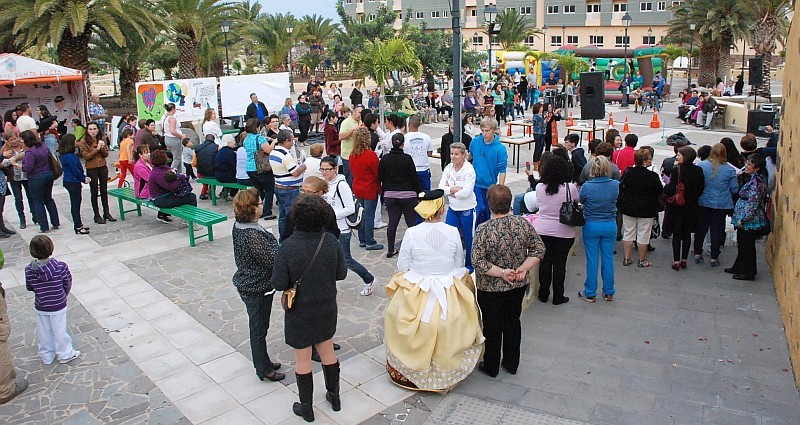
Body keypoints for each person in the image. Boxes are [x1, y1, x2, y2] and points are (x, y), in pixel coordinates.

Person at [384, 188, 484, 392]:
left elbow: (403, 266)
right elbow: (458, 264)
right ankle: (444, 370)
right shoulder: (452, 231)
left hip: (418, 287)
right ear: (441, 208)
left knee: (408, 321)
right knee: (449, 325)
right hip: (448, 286)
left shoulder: (412, 233)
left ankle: (413, 368)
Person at [271, 195, 347, 422]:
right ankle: (334, 397)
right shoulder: (331, 241)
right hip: (325, 305)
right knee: (327, 351)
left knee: (302, 359)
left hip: (299, 310)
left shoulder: (287, 247)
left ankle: (307, 408)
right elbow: (341, 274)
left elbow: (278, 283)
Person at [473, 185, 544, 376]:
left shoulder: (484, 229)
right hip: (517, 284)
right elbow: (539, 249)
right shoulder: (522, 224)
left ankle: (492, 366)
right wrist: (523, 268)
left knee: (492, 325)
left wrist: (501, 273)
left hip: (490, 288)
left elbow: (478, 261)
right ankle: (511, 363)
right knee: (513, 322)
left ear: (489, 204)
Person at [231, 188, 285, 383]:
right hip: (256, 286)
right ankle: (263, 368)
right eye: (260, 203)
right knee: (259, 329)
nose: (263, 205)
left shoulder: (241, 226)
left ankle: (264, 361)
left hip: (252, 282)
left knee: (260, 327)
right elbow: (272, 260)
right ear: (252, 208)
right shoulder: (252, 234)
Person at [320, 156, 377, 296]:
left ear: (335, 169)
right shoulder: (325, 184)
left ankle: (369, 279)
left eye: (327, 169)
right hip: (328, 228)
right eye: (322, 169)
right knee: (327, 259)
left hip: (342, 230)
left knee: (347, 260)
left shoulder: (341, 185)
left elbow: (350, 208)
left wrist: (332, 215)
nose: (324, 172)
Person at [25, 235, 81, 365]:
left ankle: (47, 354)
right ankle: (65, 353)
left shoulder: (29, 269)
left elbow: (30, 286)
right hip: (58, 303)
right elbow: (67, 282)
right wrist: (62, 294)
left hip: (41, 304)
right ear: (51, 248)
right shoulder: (60, 266)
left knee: (44, 331)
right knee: (59, 330)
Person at [533, 155, 578, 304]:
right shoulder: (569, 188)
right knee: (560, 264)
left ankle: (543, 293)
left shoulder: (539, 187)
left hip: (543, 229)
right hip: (564, 231)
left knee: (545, 263)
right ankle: (558, 295)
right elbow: (577, 201)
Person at [578, 157, 620, 302]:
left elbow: (580, 200)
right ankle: (609, 291)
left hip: (591, 224)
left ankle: (590, 292)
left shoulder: (588, 186)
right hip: (610, 223)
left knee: (592, 259)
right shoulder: (615, 185)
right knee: (608, 258)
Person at [694, 143, 738, 267]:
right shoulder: (730, 170)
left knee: (701, 228)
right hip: (721, 204)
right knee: (717, 230)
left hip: (704, 201)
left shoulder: (702, 166)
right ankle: (714, 256)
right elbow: (734, 189)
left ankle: (697, 252)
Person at [726, 153, 768, 281]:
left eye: (750, 164)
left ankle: (747, 272)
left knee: (747, 245)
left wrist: (743, 219)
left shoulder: (756, 183)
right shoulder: (754, 179)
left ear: (757, 168)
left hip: (749, 220)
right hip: (746, 216)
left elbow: (753, 203)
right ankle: (739, 266)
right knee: (743, 244)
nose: (746, 166)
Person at [618, 148, 663, 268]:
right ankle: (642, 260)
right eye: (649, 159)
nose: (651, 161)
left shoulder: (628, 173)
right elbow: (659, 190)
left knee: (628, 233)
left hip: (628, 207)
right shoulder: (652, 176)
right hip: (646, 209)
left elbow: (622, 187)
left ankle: (627, 258)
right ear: (644, 161)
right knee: (643, 234)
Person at [379, 133, 421, 258]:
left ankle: (391, 249)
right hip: (408, 194)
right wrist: (418, 193)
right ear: (403, 143)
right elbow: (414, 177)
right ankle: (415, 250)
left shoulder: (385, 159)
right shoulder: (407, 158)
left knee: (392, 222)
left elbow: (380, 177)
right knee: (411, 223)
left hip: (391, 194)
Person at [664, 146, 705, 271]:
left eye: (679, 155)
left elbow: (671, 188)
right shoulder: (698, 170)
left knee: (677, 234)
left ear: (685, 156)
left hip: (678, 206)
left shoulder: (678, 169)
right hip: (692, 206)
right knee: (687, 234)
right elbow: (701, 188)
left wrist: (665, 190)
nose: (677, 157)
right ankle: (684, 259)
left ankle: (676, 260)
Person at [349, 128, 383, 251]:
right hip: (370, 188)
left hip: (358, 186)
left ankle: (362, 239)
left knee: (361, 214)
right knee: (369, 215)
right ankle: (370, 241)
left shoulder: (352, 154)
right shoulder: (370, 155)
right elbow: (377, 173)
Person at [470, 118, 508, 226]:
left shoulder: (500, 149)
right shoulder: (475, 141)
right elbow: (471, 156)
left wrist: (500, 188)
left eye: (487, 131)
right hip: (475, 183)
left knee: (487, 213)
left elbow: (502, 170)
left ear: (494, 130)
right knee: (479, 209)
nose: (484, 134)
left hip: (490, 185)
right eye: (482, 131)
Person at [21, 130, 60, 233]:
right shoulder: (43, 147)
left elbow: (28, 167)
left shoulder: (30, 152)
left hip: (36, 178)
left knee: (38, 202)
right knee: (49, 199)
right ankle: (55, 222)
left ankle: (44, 226)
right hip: (48, 174)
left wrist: (19, 165)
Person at [271, 130, 307, 239]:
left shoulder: (274, 152)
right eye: (292, 140)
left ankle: (283, 238)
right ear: (286, 141)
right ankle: (291, 239)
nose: (293, 142)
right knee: (292, 216)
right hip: (289, 189)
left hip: (279, 186)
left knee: (282, 216)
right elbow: (295, 173)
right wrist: (303, 166)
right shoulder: (285, 155)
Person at [78, 123, 116, 224]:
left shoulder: (102, 139)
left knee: (104, 190)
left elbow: (106, 154)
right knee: (94, 192)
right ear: (87, 131)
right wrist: (97, 148)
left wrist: (103, 148)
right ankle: (97, 214)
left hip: (103, 166)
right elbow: (86, 156)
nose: (93, 131)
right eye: (90, 129)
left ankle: (106, 212)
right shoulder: (83, 142)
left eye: (94, 129)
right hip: (92, 168)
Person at [148, 150, 199, 222]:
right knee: (191, 197)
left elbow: (170, 170)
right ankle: (190, 220)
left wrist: (174, 172)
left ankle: (162, 215)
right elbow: (171, 187)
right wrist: (181, 178)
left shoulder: (159, 169)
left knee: (183, 195)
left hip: (161, 196)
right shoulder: (158, 174)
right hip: (159, 200)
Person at [242, 118, 278, 220]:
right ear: (257, 127)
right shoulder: (260, 138)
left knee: (259, 190)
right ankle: (267, 212)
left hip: (250, 168)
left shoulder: (246, 139)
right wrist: (274, 142)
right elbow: (269, 150)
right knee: (269, 189)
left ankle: (256, 209)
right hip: (261, 168)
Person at [2, 131, 35, 228]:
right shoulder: (5, 150)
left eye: (14, 138)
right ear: (7, 141)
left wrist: (15, 158)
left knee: (31, 196)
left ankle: (35, 215)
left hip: (26, 175)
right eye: (11, 140)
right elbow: (3, 162)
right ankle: (22, 219)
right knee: (18, 198)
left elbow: (28, 153)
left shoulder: (23, 145)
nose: (14, 141)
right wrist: (10, 160)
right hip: (14, 177)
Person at [58, 134, 91, 235]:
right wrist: (84, 179)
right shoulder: (70, 156)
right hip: (73, 182)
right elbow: (75, 170)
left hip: (69, 181)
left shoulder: (64, 155)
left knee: (75, 203)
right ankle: (78, 226)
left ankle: (78, 224)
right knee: (76, 204)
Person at [403, 115, 433, 193]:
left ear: (409, 124)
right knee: (426, 194)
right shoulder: (427, 137)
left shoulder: (404, 138)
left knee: (411, 194)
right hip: (424, 170)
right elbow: (430, 153)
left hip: (409, 170)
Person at [161, 103, 185, 173]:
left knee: (177, 157)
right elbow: (173, 131)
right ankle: (170, 173)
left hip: (167, 138)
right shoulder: (172, 118)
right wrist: (181, 136)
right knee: (177, 158)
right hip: (174, 139)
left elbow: (161, 128)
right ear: (173, 109)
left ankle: (179, 173)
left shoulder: (164, 117)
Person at [194, 134, 218, 200]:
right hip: (213, 173)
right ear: (214, 140)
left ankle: (204, 193)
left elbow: (194, 163)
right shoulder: (217, 147)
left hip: (200, 173)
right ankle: (211, 190)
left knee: (205, 177)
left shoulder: (198, 148)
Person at [531, 103, 547, 170]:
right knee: (537, 149)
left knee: (541, 148)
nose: (542, 109)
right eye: (541, 108)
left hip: (542, 133)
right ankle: (535, 164)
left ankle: (539, 162)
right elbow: (542, 125)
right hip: (538, 134)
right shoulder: (537, 116)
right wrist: (545, 120)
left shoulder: (540, 116)